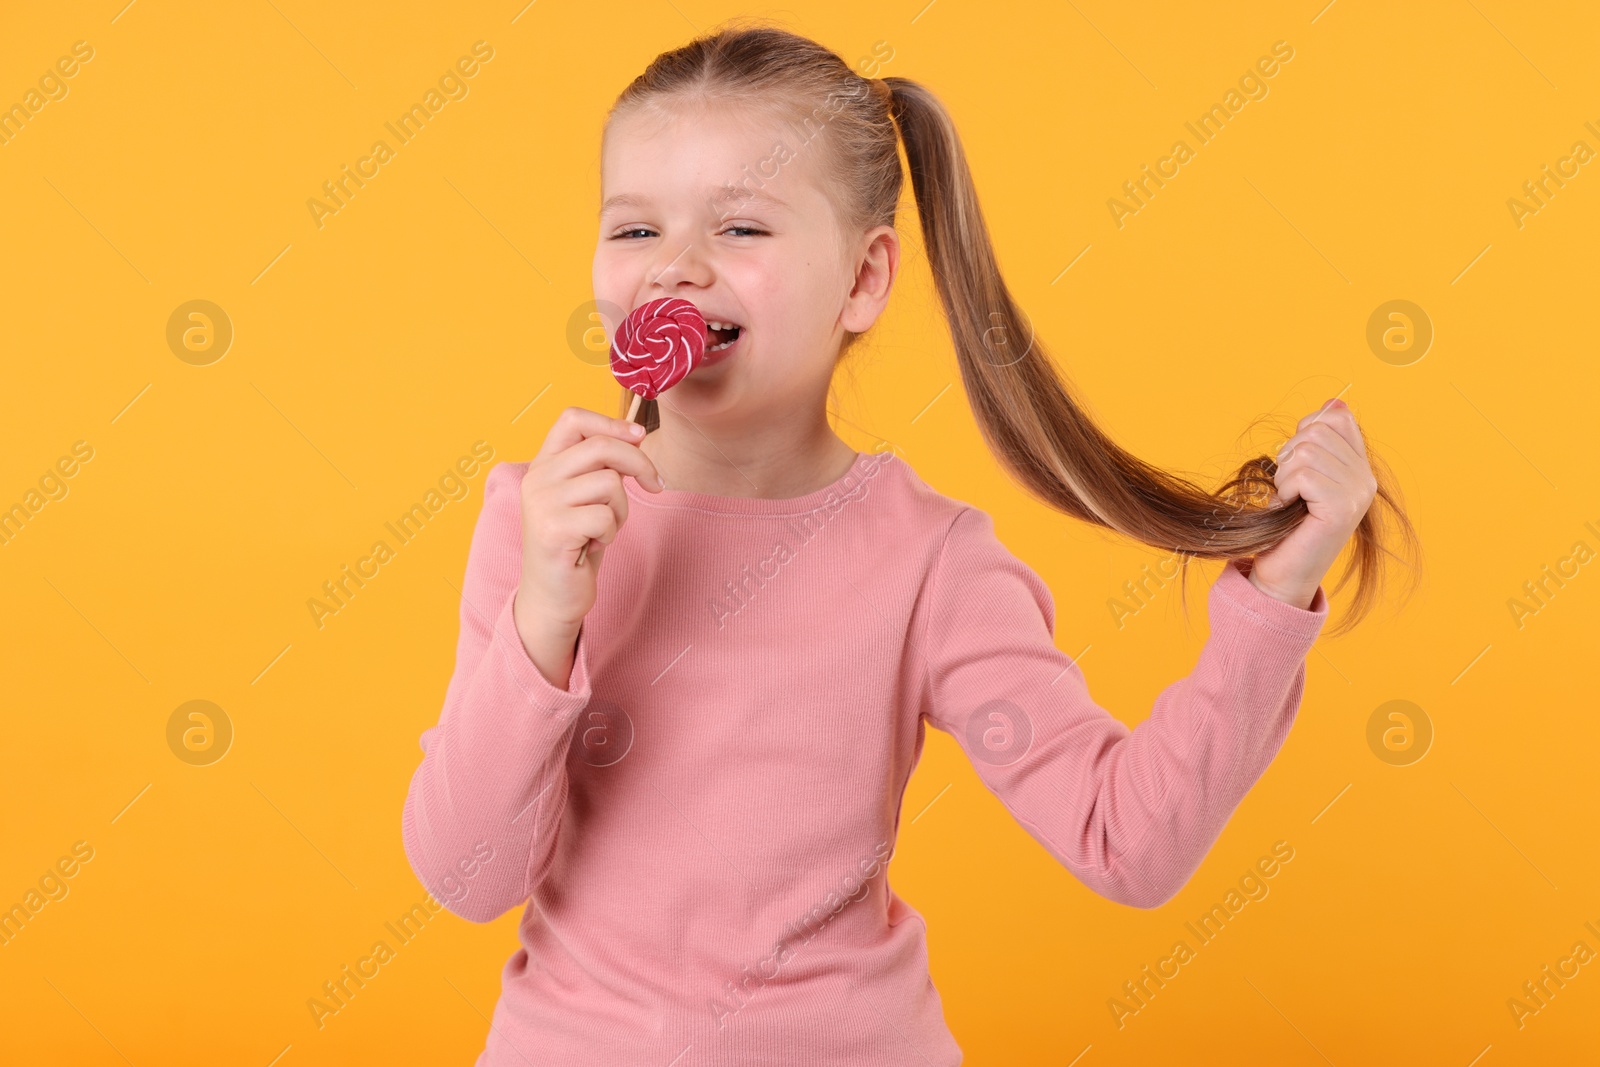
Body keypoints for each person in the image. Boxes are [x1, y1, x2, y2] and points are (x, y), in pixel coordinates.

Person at [401, 20, 1418, 1066]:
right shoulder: (537, 523)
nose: (677, 269)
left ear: (862, 279)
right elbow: (465, 875)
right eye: (633, 230)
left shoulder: (929, 560)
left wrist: (1275, 593)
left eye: (742, 230)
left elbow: (1127, 840)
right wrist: (544, 616)